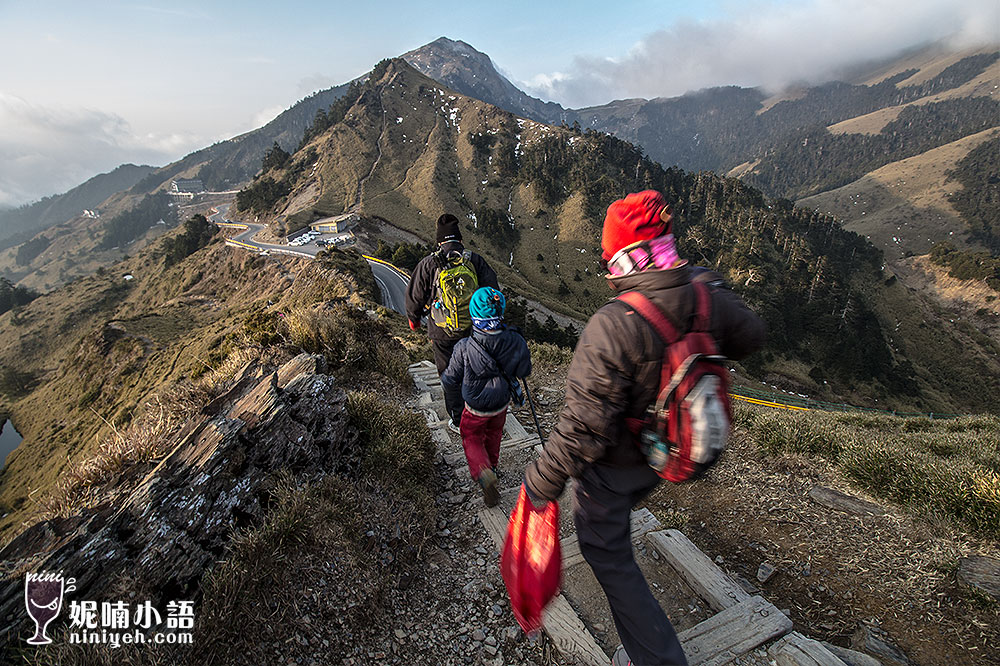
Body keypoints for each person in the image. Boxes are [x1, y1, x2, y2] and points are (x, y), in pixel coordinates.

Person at [522, 190, 766, 666]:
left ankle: (656, 657)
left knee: (605, 550)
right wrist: (710, 288)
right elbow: (752, 336)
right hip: (667, 451)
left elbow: (581, 430)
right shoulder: (703, 295)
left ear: (623, 258)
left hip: (615, 467)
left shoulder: (613, 325)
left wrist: (539, 484)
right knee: (618, 527)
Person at [406, 213, 499, 431]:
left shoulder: (429, 263)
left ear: (440, 242)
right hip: (474, 330)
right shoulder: (474, 260)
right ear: (460, 239)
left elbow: (414, 295)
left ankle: (459, 421)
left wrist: (414, 319)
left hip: (442, 332)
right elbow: (493, 292)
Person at [441, 287, 531, 506]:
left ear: (474, 316)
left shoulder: (464, 346)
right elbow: (524, 371)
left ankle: (483, 471)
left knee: (471, 436)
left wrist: (446, 381)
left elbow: (451, 377)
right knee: (494, 434)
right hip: (501, 402)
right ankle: (493, 466)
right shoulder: (515, 340)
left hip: (474, 404)